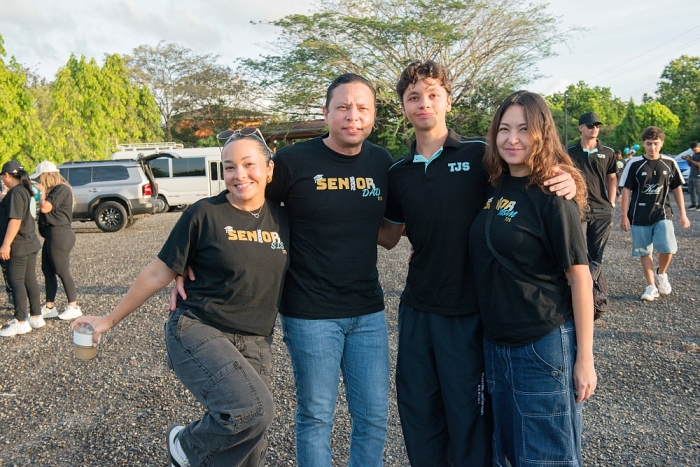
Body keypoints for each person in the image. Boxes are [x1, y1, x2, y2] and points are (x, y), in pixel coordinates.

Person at [377, 61, 577, 467]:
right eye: (413, 97)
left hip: (470, 311)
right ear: (403, 106)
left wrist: (571, 178)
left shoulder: (479, 156)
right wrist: (329, 211)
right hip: (417, 308)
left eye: (433, 94)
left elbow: (530, 176)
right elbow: (389, 236)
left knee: (469, 417)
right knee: (418, 409)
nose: (423, 103)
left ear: (448, 100)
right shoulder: (398, 172)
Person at [71, 130, 290, 467]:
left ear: (269, 169)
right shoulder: (204, 214)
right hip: (199, 328)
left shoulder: (284, 218)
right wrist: (108, 320)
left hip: (256, 341)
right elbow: (157, 273)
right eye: (229, 167)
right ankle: (185, 445)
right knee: (253, 410)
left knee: (251, 445)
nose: (239, 175)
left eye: (249, 164)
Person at [266, 73, 392, 467]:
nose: (353, 116)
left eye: (363, 108)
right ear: (326, 112)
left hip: (368, 311)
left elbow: (393, 231)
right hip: (310, 313)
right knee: (317, 416)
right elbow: (244, 204)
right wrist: (191, 258)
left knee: (374, 417)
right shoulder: (292, 162)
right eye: (343, 107)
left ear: (373, 115)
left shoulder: (381, 162)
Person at [468, 90, 596, 467]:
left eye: (524, 129)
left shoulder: (554, 193)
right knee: (508, 453)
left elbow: (580, 278)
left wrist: (585, 359)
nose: (512, 139)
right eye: (504, 129)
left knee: (546, 458)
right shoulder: (494, 184)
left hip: (542, 345)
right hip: (496, 346)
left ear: (542, 133)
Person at [619, 126, 690, 301]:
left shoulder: (669, 163)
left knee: (668, 248)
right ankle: (651, 286)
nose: (653, 147)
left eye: (656, 143)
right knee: (644, 251)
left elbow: (677, 188)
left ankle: (661, 273)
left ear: (662, 143)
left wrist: (683, 213)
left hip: (662, 213)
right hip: (639, 214)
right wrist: (624, 215)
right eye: (649, 143)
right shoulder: (634, 164)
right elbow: (626, 190)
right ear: (643, 144)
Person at [30, 161, 82, 320]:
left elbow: (45, 207)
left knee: (62, 270)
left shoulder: (61, 189)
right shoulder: (56, 190)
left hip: (60, 233)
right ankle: (49, 306)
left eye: (40, 178)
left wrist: (42, 193)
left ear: (48, 176)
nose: (39, 181)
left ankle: (73, 306)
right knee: (47, 270)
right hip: (52, 234)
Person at [0, 160, 43, 336]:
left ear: (7, 175)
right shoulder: (24, 190)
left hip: (18, 244)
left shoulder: (16, 193)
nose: (3, 180)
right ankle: (35, 316)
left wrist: (5, 244)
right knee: (29, 280)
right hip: (29, 242)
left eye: (3, 176)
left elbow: (15, 220)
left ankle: (20, 321)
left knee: (16, 281)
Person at [567, 112, 617, 262]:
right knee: (577, 251)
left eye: (597, 126)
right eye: (590, 125)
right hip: (578, 207)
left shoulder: (608, 152)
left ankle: (594, 278)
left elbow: (612, 178)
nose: (594, 128)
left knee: (596, 255)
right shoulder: (569, 152)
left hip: (602, 208)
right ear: (581, 128)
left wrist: (611, 203)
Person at [681, 142, 700, 210]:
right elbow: (690, 165)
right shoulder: (694, 155)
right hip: (692, 174)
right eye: (693, 150)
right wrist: (688, 160)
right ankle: (693, 204)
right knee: (691, 190)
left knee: (698, 191)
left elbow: (698, 164)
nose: (694, 151)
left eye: (695, 150)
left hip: (698, 176)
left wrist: (691, 160)